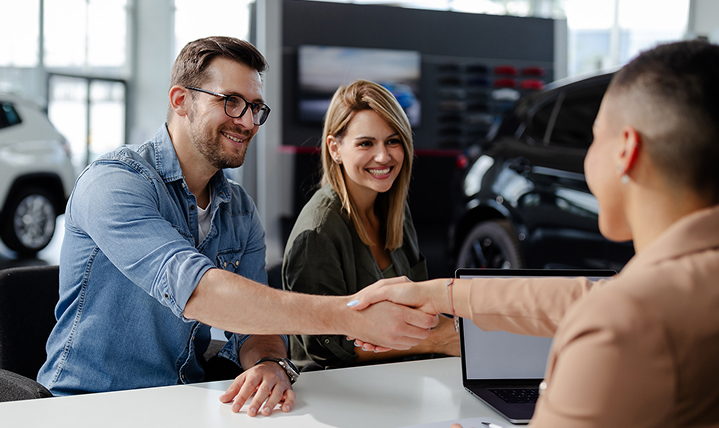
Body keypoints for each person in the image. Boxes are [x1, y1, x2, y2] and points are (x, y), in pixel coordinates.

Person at [350, 41, 719, 427]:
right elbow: (593, 298)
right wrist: (440, 294)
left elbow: (613, 312)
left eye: (593, 138)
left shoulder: (621, 331)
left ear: (626, 149)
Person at [37, 36, 438, 417]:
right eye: (231, 102)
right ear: (181, 100)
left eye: (255, 107)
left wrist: (267, 362)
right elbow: (199, 292)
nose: (247, 121)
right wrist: (350, 316)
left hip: (181, 401)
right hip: (88, 406)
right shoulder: (115, 183)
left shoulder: (240, 209)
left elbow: (254, 328)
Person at [283, 80, 460, 369]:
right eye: (366, 143)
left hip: (403, 376)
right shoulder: (317, 232)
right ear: (335, 148)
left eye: (393, 141)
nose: (384, 156)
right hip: (341, 392)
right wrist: (437, 341)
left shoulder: (394, 211)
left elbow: (419, 304)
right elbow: (327, 350)